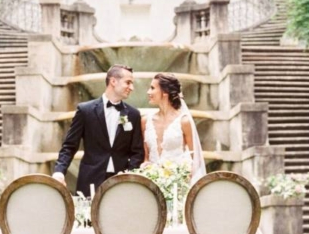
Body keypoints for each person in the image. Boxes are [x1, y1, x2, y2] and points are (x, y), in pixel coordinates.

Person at [53, 64, 144, 197]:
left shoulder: (133, 114)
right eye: (128, 82)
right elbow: (69, 146)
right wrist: (59, 171)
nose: (131, 88)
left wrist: (128, 175)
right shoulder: (85, 110)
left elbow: (137, 152)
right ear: (113, 81)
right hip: (90, 180)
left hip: (121, 183)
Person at [142, 73, 205, 182]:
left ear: (165, 92)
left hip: (177, 184)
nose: (148, 92)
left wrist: (182, 178)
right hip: (151, 182)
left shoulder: (184, 121)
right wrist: (145, 166)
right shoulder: (145, 121)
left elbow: (195, 159)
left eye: (152, 88)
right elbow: (145, 157)